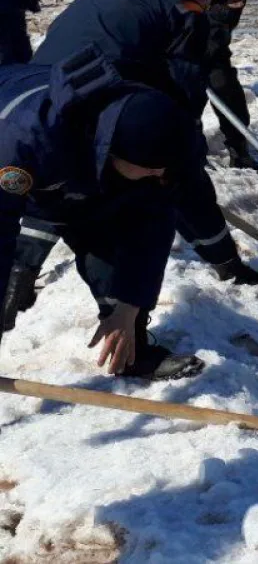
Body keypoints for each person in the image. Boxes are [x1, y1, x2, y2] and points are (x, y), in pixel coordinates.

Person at [16, 0, 258, 317]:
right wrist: (181, 156)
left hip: (40, 96)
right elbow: (184, 101)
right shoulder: (185, 11)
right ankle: (227, 272)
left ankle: (21, 271)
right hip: (100, 101)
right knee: (176, 178)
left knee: (58, 181)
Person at [0, 45, 204, 379]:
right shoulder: (23, 140)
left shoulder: (154, 132)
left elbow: (155, 219)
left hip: (70, 164)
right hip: (14, 138)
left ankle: (131, 348)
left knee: (113, 232)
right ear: (112, 151)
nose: (158, 175)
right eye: (150, 168)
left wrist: (129, 306)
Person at [39, 0, 258, 173]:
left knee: (219, 79)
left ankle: (238, 149)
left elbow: (210, 41)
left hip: (188, 31)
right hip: (136, 11)